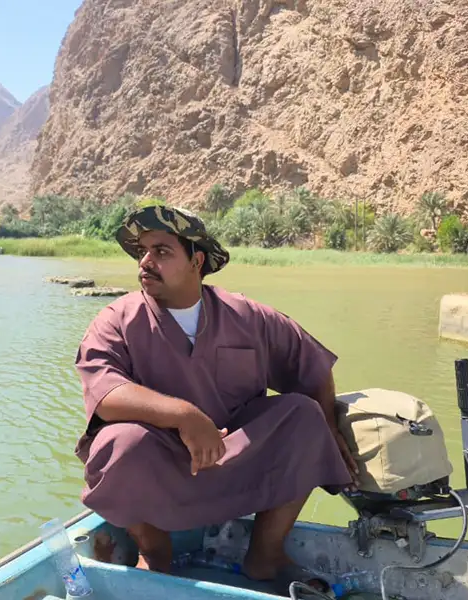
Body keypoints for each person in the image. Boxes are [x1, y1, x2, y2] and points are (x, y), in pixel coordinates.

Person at [72, 203, 359, 592]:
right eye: (142, 251)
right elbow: (106, 393)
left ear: (197, 260)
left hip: (237, 456)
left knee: (304, 415)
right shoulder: (116, 320)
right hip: (166, 463)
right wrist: (184, 416)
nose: (145, 261)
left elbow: (312, 365)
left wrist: (329, 425)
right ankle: (156, 553)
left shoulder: (247, 315)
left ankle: (266, 554)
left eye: (161, 251)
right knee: (118, 443)